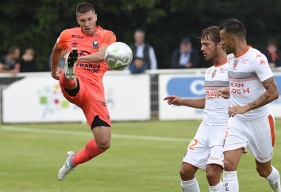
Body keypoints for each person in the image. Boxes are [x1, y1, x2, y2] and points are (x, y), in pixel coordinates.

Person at [51, 2, 116, 181]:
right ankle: (68, 71)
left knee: (104, 142)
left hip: (94, 90)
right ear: (77, 20)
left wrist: (77, 57)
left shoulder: (107, 35)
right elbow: (56, 50)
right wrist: (53, 71)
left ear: (95, 17)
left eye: (89, 19)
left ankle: (71, 161)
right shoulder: (67, 34)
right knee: (70, 78)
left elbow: (102, 55)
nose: (87, 24)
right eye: (82, 21)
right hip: (76, 82)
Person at [219, 18, 281, 192]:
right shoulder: (230, 59)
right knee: (229, 164)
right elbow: (245, 88)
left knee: (263, 170)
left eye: (223, 39)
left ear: (233, 39)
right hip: (237, 121)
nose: (221, 43)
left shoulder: (257, 58)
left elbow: (273, 92)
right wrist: (231, 92)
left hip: (260, 122)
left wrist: (246, 107)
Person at [164, 26, 228, 192]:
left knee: (212, 174)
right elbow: (209, 101)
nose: (202, 48)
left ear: (219, 44)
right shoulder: (209, 72)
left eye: (206, 44)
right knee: (185, 171)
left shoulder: (234, 69)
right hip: (205, 127)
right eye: (201, 44)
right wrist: (182, 101)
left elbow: (249, 95)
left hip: (224, 128)